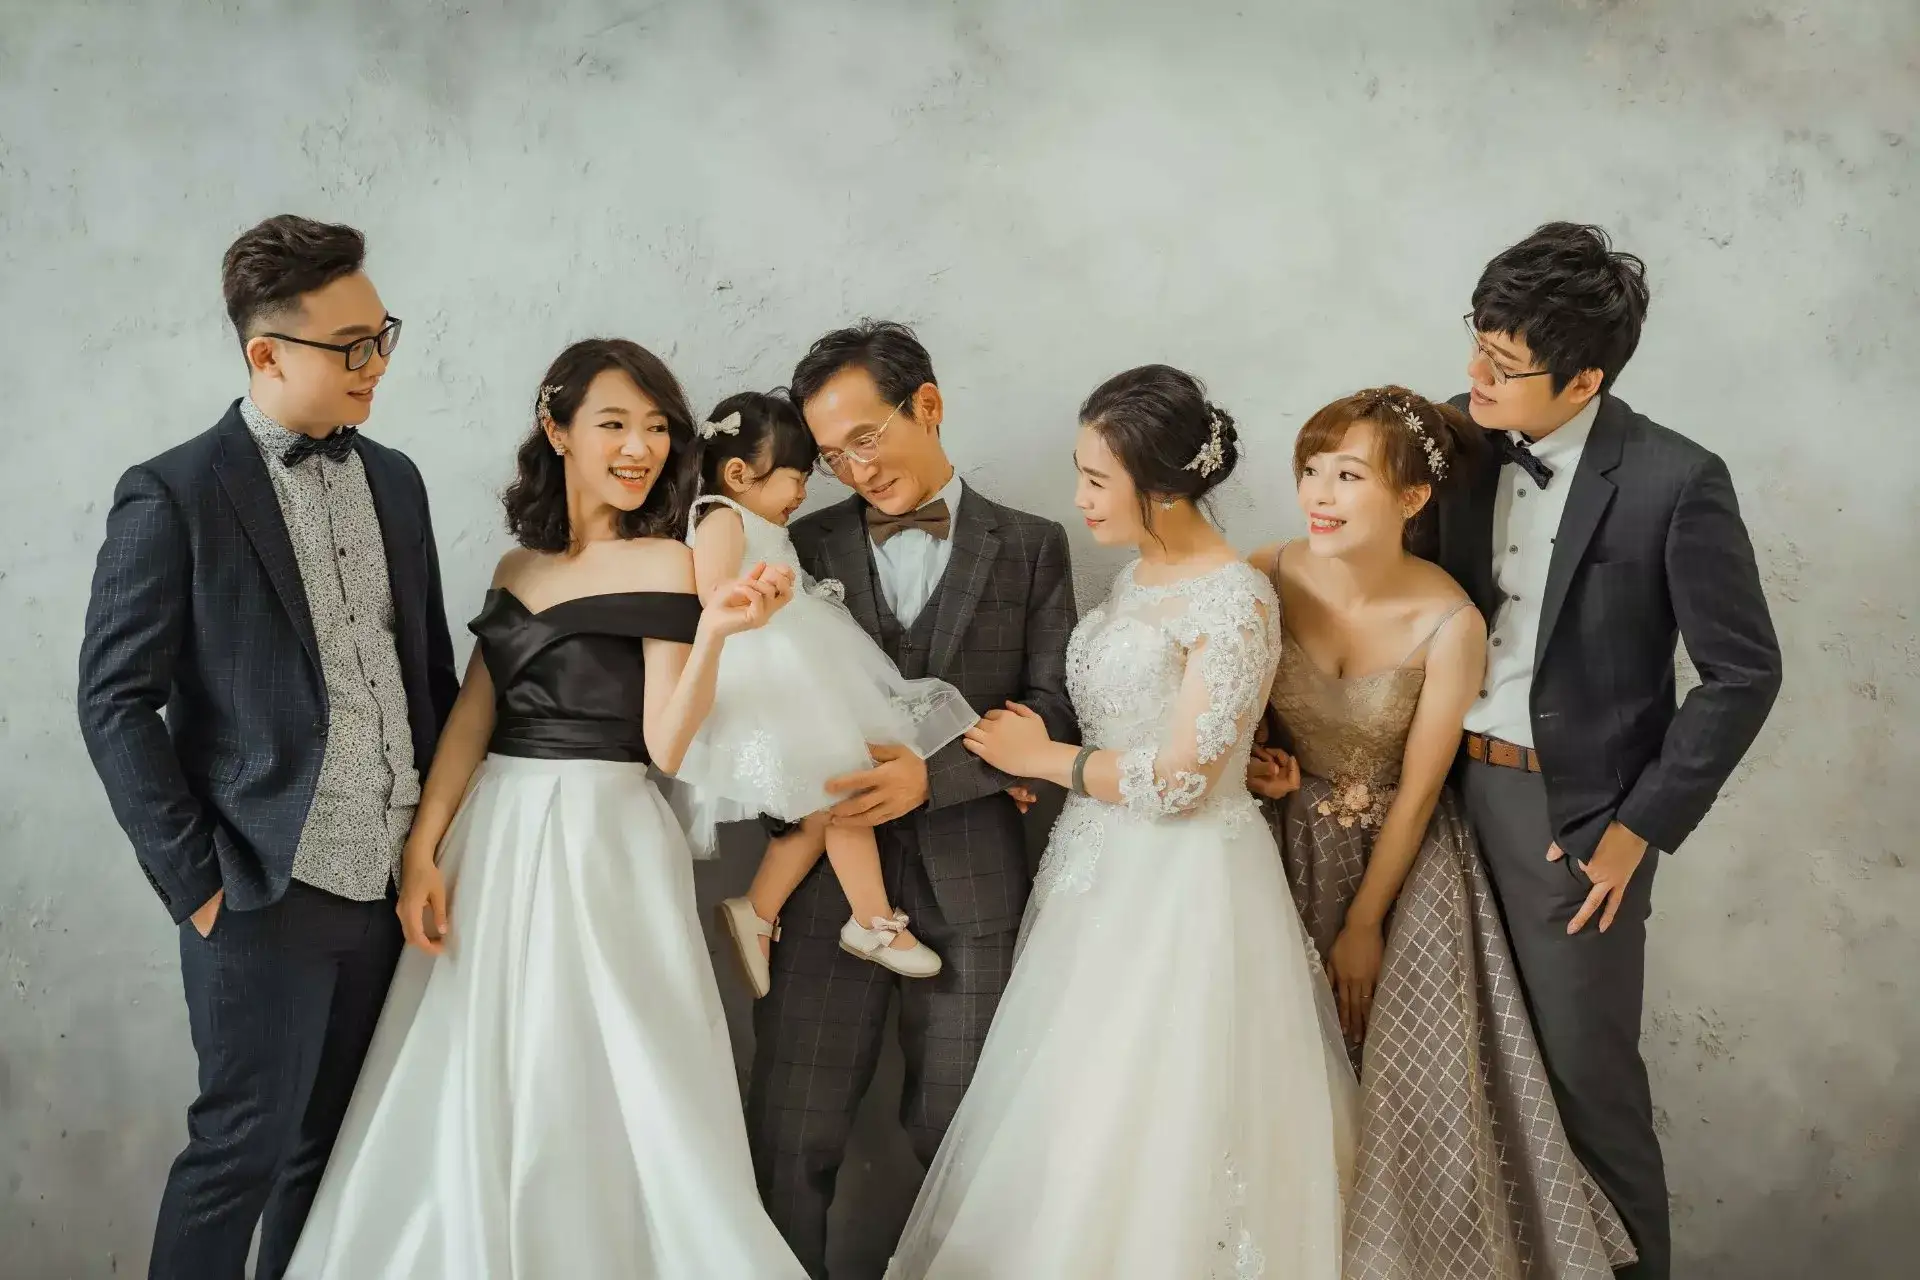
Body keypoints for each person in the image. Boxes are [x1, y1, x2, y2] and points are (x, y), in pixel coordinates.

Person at [282, 339, 808, 1278]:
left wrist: (715, 635)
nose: (640, 447)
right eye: (614, 423)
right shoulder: (515, 566)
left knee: (606, 1063)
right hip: (494, 835)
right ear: (556, 428)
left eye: (656, 427)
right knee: (475, 1060)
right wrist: (423, 851)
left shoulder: (668, 560)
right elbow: (470, 721)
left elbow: (666, 747)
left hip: (604, 836)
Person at [885, 365, 1357, 1278]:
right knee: (1076, 1105)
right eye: (1082, 473)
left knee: (1169, 1108)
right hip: (1093, 879)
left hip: (1185, 889)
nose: (1080, 498)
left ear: (1164, 487)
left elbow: (1184, 781)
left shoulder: (1235, 598)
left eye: (1098, 479)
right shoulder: (1135, 579)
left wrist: (1044, 761)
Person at [75, 215, 457, 1280]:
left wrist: (436, 841)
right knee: (236, 1156)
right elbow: (114, 701)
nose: (376, 363)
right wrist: (198, 882)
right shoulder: (174, 491)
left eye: (383, 336)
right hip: (258, 887)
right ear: (267, 353)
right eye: (352, 346)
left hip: (391, 888)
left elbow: (426, 675)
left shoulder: (398, 480)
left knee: (331, 1166)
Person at [1434, 223, 1783, 1280]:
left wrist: (1636, 830)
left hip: (1573, 822)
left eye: (1505, 363)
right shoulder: (1448, 442)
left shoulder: (1677, 478)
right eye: (1477, 342)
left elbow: (1743, 673)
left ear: (1585, 378)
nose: (1477, 374)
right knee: (1448, 1079)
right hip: (1434, 798)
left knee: (1588, 1090)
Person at [1250, 385, 1636, 1278]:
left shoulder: (1451, 621)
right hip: (1274, 850)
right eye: (1312, 469)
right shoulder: (1262, 572)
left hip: (1401, 867)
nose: (1319, 494)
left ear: (1413, 497)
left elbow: (1421, 793)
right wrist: (1260, 765)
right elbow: (1230, 718)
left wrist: (1364, 923)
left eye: (1349, 476)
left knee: (1411, 1096)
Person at [745, 321, 1078, 1278]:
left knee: (962, 1135)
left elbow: (1055, 708)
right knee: (793, 1133)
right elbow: (755, 703)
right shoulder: (797, 545)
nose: (854, 470)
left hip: (974, 883)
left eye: (866, 438)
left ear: (926, 406)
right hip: (825, 890)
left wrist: (937, 778)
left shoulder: (1032, 545)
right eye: (831, 455)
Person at [671, 390, 978, 993]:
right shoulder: (721, 515)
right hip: (773, 673)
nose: (804, 493)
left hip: (803, 664)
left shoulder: (752, 518)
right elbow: (715, 597)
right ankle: (871, 919)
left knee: (826, 800)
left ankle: (758, 911)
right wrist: (765, 591)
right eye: (796, 478)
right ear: (739, 475)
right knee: (846, 784)